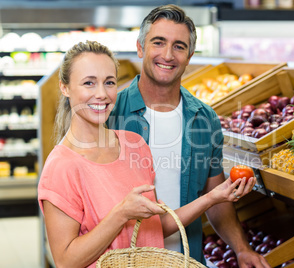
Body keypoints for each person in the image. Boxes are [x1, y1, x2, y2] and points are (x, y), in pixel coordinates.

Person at [38, 40, 254, 268]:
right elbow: (65, 261)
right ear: (65, 87)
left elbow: (155, 226)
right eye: (89, 83)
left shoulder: (134, 144)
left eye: (109, 82)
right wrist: (120, 214)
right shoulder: (60, 167)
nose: (101, 94)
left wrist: (213, 197)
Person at [107, 5, 271, 268]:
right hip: (124, 262)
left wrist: (241, 249)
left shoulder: (205, 119)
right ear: (140, 48)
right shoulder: (111, 112)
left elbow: (214, 197)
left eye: (179, 46)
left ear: (190, 55)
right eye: (158, 43)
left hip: (187, 261)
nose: (168, 55)